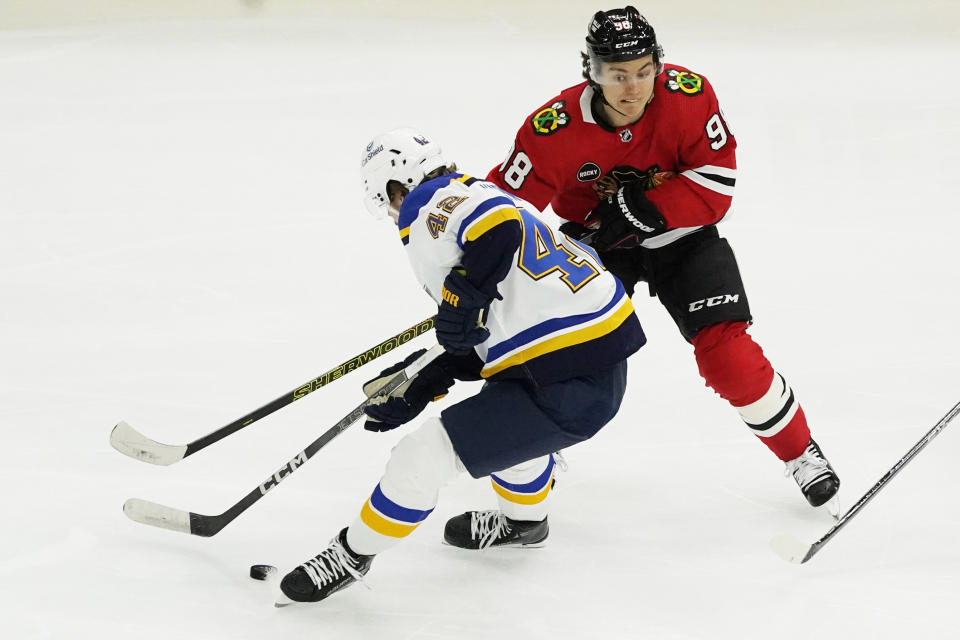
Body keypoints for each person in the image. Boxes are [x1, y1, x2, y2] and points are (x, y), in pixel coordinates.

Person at [485, 6, 840, 512]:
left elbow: (716, 186)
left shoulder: (689, 97)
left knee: (727, 357)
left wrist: (638, 209)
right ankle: (539, 455)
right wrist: (484, 269)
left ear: (659, 64)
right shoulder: (552, 129)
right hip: (597, 246)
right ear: (591, 71)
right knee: (559, 353)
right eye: (617, 74)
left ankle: (801, 452)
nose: (633, 88)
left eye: (644, 70)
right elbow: (501, 210)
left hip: (685, 238)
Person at [277, 127, 646, 605]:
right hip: (586, 360)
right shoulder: (479, 188)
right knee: (513, 437)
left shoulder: (427, 201)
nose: (394, 215)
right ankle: (525, 523)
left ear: (395, 187)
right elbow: (492, 321)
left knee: (420, 457)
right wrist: (429, 375)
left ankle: (351, 555)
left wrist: (463, 293)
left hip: (567, 379)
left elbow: (495, 231)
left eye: (390, 204)